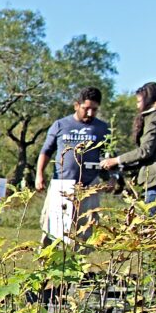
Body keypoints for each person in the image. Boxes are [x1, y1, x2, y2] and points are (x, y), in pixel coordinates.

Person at [36, 87, 110, 244]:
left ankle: (79, 264)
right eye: (86, 108)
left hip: (89, 186)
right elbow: (46, 151)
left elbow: (109, 155)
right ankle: (47, 263)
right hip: (61, 184)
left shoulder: (102, 128)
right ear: (76, 105)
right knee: (53, 227)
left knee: (84, 230)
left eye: (94, 110)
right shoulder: (60, 125)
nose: (90, 113)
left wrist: (113, 177)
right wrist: (39, 175)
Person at [101, 82, 156, 223]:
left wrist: (116, 160)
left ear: (148, 99)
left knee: (153, 232)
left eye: (139, 101)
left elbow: (145, 150)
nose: (137, 105)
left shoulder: (155, 116)